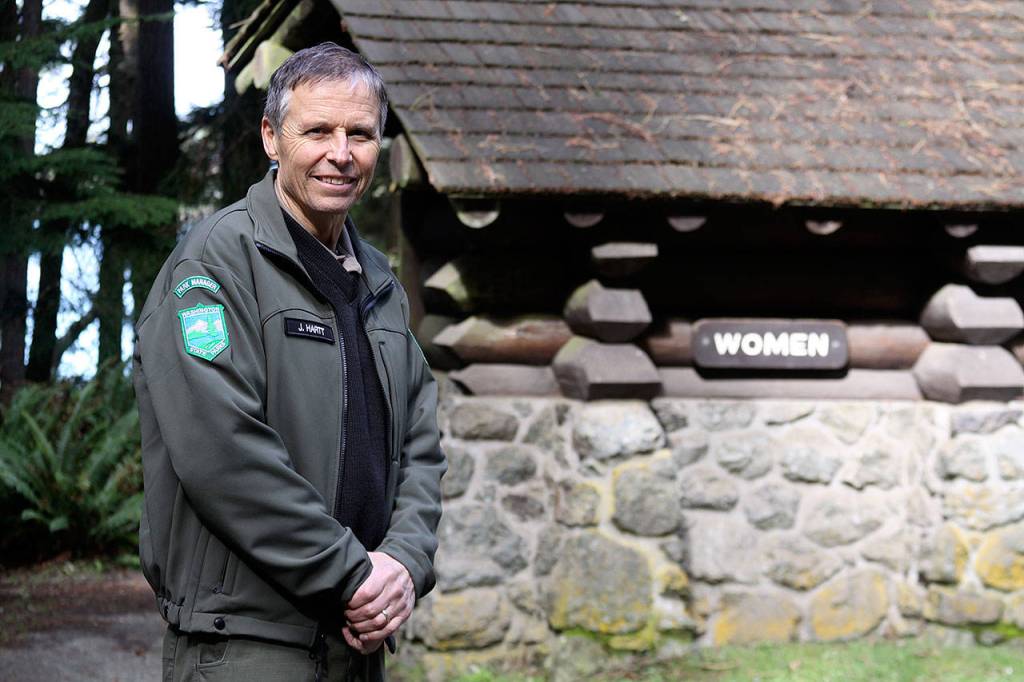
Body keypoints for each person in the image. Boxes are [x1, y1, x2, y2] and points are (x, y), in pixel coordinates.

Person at [133, 43, 446, 681]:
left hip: (354, 644)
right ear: (272, 137)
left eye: (361, 133)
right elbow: (224, 455)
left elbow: (420, 446)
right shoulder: (216, 263)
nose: (342, 153)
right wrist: (354, 574)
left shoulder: (379, 284)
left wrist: (405, 563)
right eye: (319, 131)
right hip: (248, 643)